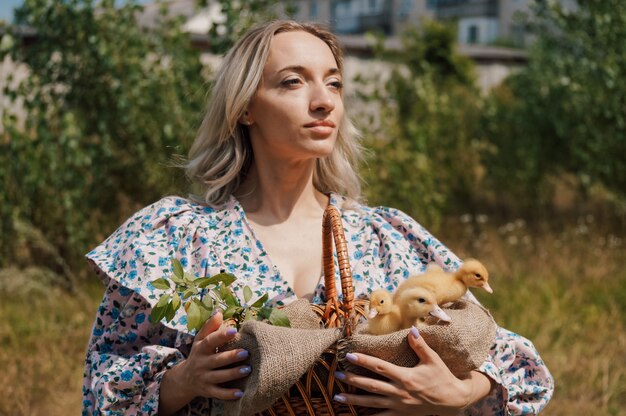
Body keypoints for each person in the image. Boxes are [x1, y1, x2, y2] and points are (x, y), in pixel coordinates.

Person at [82, 20, 554, 415]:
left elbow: (517, 367)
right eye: (293, 81)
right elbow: (103, 387)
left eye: (333, 83)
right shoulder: (175, 237)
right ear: (245, 106)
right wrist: (184, 380)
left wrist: (457, 392)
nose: (323, 100)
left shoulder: (385, 235)